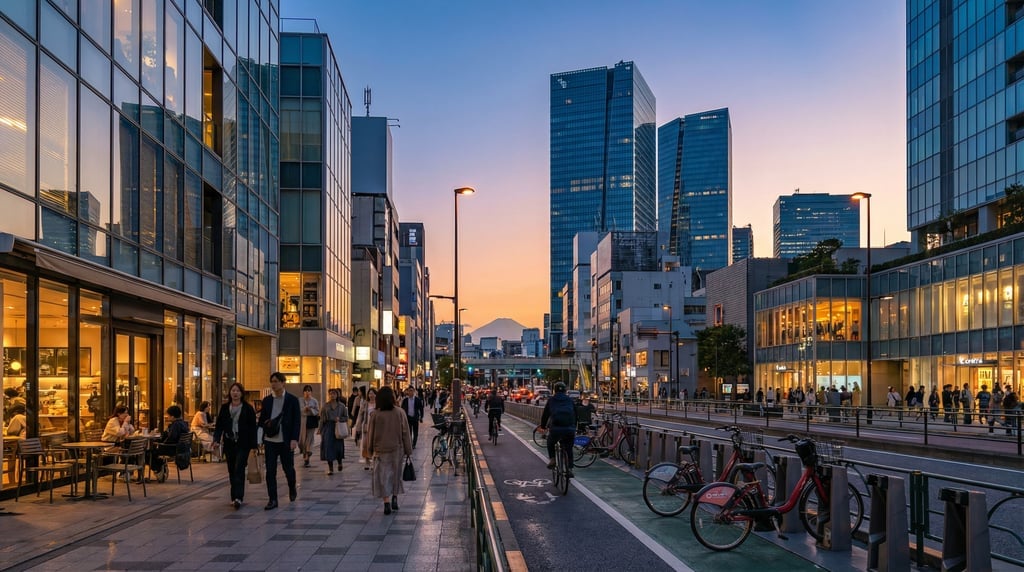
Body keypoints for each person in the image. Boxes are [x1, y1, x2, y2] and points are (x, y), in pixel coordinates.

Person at [364, 386, 413, 515]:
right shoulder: (400, 412)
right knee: (395, 474)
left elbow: (371, 434)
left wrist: (369, 451)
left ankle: (386, 502)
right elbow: (405, 433)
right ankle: (395, 498)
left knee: (383, 476)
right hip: (397, 449)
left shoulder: (376, 414)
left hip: (380, 450)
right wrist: (408, 450)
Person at [259, 372, 301, 510]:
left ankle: (292, 486)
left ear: (283, 383)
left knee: (288, 468)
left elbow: (297, 421)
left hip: (286, 440)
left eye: (276, 381)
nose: (273, 384)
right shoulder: (266, 401)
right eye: (272, 381)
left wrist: (294, 439)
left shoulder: (292, 400)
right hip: (270, 440)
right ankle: (273, 499)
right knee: (270, 471)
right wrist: (260, 438)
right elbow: (261, 421)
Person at [214, 382, 258, 509]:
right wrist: (216, 439)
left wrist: (254, 446)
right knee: (231, 470)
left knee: (239, 469)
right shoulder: (224, 408)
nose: (235, 393)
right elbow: (219, 426)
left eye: (238, 391)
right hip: (229, 443)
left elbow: (252, 428)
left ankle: (239, 497)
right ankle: (234, 497)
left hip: (243, 444)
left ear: (242, 393)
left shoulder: (248, 408)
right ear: (230, 393)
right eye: (233, 390)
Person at [537, 382, 577, 476]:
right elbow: (575, 414)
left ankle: (553, 459)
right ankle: (570, 469)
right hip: (569, 429)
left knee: (550, 442)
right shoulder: (569, 400)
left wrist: (543, 426)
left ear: (554, 390)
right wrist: (574, 426)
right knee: (569, 448)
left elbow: (545, 415)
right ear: (565, 390)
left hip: (555, 429)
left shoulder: (551, 400)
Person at [149, 405, 189, 482]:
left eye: (168, 415)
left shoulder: (175, 425)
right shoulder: (183, 423)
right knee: (153, 451)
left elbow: (171, 438)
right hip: (181, 449)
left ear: (173, 416)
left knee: (149, 453)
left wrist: (161, 443)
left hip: (172, 449)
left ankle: (159, 469)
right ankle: (161, 466)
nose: (167, 417)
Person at [319, 388, 349, 475]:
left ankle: (340, 462)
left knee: (338, 447)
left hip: (338, 427)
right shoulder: (325, 406)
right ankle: (330, 467)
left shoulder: (342, 406)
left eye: (334, 394)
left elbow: (346, 417)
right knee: (328, 447)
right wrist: (320, 429)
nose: (332, 395)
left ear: (337, 395)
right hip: (328, 427)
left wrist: (340, 419)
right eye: (331, 394)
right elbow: (322, 419)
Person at [298, 385, 320, 468]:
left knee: (309, 438)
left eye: (309, 390)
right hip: (302, 420)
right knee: (301, 440)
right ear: (303, 392)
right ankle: (304, 452)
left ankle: (307, 455)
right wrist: (304, 409)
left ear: (311, 392)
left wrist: (311, 409)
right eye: (306, 390)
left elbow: (317, 411)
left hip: (311, 421)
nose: (307, 392)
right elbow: (297, 410)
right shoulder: (299, 400)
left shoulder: (314, 401)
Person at [358, 388, 378, 468]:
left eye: (373, 393)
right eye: (370, 393)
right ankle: (367, 461)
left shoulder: (378, 404)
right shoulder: (365, 404)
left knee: (374, 443)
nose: (371, 395)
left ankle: (373, 461)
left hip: (376, 426)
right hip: (367, 425)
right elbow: (361, 415)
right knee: (366, 444)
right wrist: (359, 425)